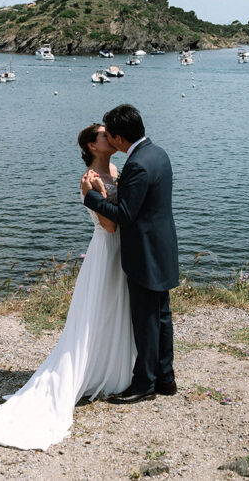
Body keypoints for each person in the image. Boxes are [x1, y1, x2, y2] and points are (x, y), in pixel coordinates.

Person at [0, 124, 135, 450]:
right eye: (104, 135)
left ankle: (114, 369)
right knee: (96, 312)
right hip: (105, 250)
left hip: (121, 254)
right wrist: (101, 195)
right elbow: (110, 226)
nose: (111, 137)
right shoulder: (89, 178)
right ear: (92, 144)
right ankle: (85, 371)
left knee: (116, 309)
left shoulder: (116, 169)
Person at [81, 104, 179, 404]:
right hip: (162, 248)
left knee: (147, 321)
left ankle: (144, 385)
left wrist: (91, 197)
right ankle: (166, 379)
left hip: (145, 254)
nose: (109, 140)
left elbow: (123, 215)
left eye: (110, 135)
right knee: (161, 317)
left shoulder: (136, 165)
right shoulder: (158, 153)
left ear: (120, 138)